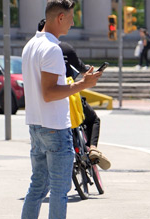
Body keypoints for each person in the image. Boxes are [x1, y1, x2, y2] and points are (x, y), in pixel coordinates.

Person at [18, 0, 102, 219]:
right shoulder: (52, 49)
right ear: (61, 17)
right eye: (72, 17)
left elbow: (44, 90)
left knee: (37, 185)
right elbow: (51, 92)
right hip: (54, 126)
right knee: (58, 187)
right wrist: (83, 85)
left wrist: (78, 81)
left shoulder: (32, 44)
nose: (74, 22)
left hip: (36, 123)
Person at [38, 19, 111, 170]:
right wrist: (93, 73)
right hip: (70, 96)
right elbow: (82, 69)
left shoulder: (34, 50)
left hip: (45, 105)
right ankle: (92, 148)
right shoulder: (63, 48)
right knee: (93, 119)